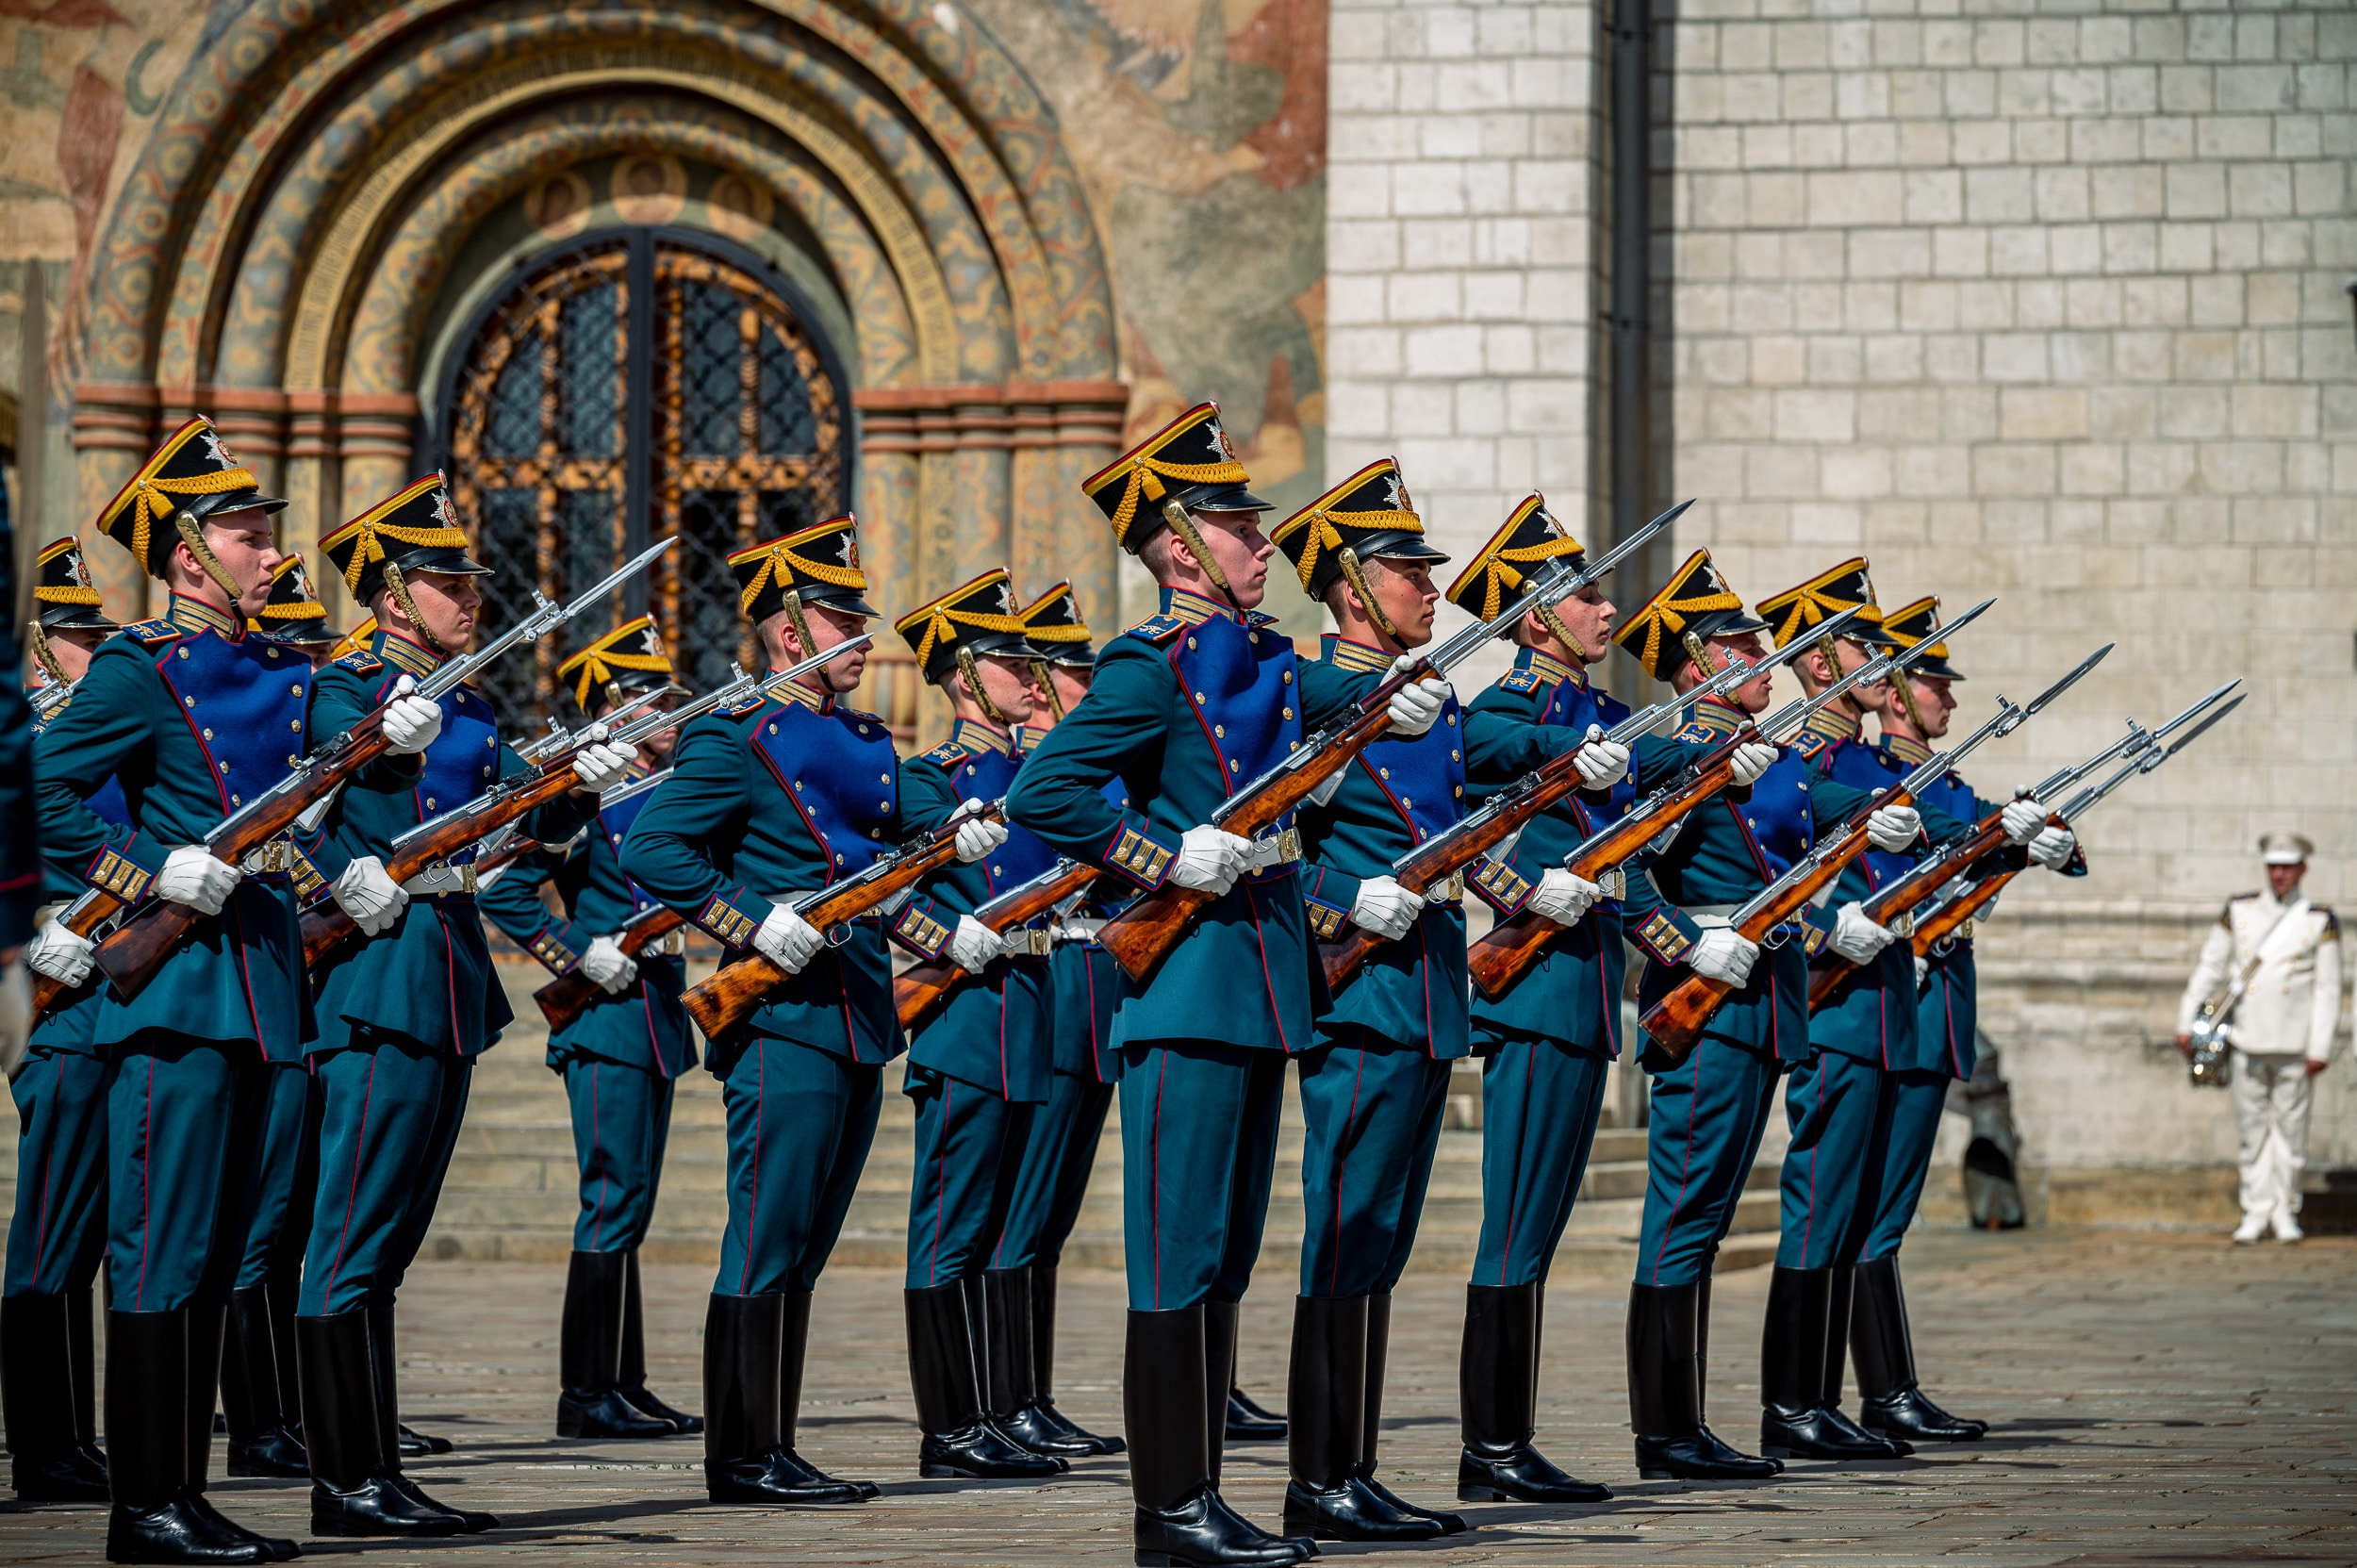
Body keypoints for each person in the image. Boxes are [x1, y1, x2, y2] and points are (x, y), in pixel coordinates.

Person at [1008, 403, 1445, 1568]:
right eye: (1236, 526)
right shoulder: (1147, 671)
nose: (1261, 545)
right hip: (1187, 989)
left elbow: (1310, 713)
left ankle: (1206, 1494)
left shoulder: (1263, 660)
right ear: (1176, 544)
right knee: (1175, 1254)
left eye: (1252, 527)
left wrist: (1385, 696)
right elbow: (1043, 795)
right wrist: (1157, 856)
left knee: (1224, 1257)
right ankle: (1169, 1511)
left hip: (1262, 984)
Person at [619, 515, 1003, 1508]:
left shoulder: (865, 739)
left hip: (856, 1011)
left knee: (806, 1240)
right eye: (844, 617)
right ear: (791, 630)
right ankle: (741, 1453)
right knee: (765, 1231)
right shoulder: (736, 736)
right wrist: (746, 921)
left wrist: (961, 829)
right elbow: (654, 850)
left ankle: (774, 1444)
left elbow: (899, 832)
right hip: (782, 1016)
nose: (863, 637)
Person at [296, 473, 634, 1538]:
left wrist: (583, 778)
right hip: (370, 979)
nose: (468, 596)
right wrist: (331, 875)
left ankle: (376, 1469)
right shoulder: (342, 687)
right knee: (348, 1240)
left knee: (386, 1248)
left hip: (441, 976)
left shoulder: (471, 703)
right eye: (446, 580)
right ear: (392, 594)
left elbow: (499, 818)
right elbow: (276, 807)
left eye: (466, 578)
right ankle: (343, 1481)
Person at [31, 417, 310, 1563]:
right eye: (246, 536)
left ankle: (182, 1492)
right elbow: (34, 788)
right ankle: (143, 1505)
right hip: (177, 997)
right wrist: (139, 872)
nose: (264, 553)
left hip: (255, 990)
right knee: (155, 1250)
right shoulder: (147, 672)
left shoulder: (274, 670)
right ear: (188, 554)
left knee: (207, 1256)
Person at [1613, 548, 1939, 1484]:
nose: (1766, 657)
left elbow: (1839, 796)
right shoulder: (1671, 752)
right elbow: (1619, 862)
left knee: (1707, 1216)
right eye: (1744, 645)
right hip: (1705, 1003)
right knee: (1680, 1213)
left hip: (1760, 1005)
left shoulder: (1771, 763)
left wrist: (1885, 811)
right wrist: (1677, 941)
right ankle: (1663, 1430)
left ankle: (1691, 1421)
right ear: (1699, 663)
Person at [1447, 496, 1653, 1506]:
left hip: (1586, 984)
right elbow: (1476, 762)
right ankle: (1489, 1448)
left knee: (1543, 1223)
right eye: (1587, 595)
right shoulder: (1506, 710)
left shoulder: (1607, 716)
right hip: (1531, 985)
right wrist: (1556, 761)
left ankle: (1505, 1441)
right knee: (1513, 1224)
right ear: (1535, 621)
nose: (1607, 609)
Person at [1845, 597, 2077, 1442]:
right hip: (1892, 1004)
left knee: (1889, 1207)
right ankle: (1878, 1391)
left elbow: (1981, 839)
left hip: (1937, 1007)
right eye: (1935, 684)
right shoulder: (1870, 780)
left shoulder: (1942, 783)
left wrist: (2040, 840)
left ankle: (1891, 1385)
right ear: (1897, 695)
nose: (1950, 700)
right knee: (1871, 1205)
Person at [479, 616, 701, 1441]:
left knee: (630, 1203)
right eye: (655, 699)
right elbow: (503, 890)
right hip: (605, 1016)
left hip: (651, 1011)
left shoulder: (667, 788)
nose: (672, 712)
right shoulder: (578, 796)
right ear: (615, 710)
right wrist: (575, 954)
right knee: (609, 1200)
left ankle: (625, 1381)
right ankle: (585, 1393)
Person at [883, 569, 1070, 1481]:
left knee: (996, 1226)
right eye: (1010, 661)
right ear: (963, 676)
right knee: (948, 1230)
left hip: (1029, 1012)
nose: (1031, 674)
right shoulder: (929, 780)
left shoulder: (1042, 774)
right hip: (964, 1019)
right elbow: (884, 894)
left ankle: (991, 1411)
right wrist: (944, 937)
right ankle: (947, 1427)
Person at [215, 553, 346, 1482]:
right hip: (243, 988)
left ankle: (291, 1410)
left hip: (283, 996)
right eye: (289, 649)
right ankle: (256, 1419)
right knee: (249, 1228)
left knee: (286, 1223)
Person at [989, 580, 1125, 1460]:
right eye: (1070, 674)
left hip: (1092, 986)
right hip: (1051, 987)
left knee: (1054, 1211)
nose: (1081, 687)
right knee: (1024, 1209)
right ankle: (1007, 1396)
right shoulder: (1023, 775)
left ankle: (1031, 1391)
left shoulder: (1088, 767)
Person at [5, 537, 121, 1505]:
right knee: (48, 1230)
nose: (96, 648)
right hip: (50, 1001)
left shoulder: (96, 733)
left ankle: (69, 1435)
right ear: (40, 647)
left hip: (108, 993)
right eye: (80, 636)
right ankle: (41, 1441)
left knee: (82, 1230)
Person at [2178, 832, 2342, 1244]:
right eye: (2273, 866)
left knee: (2290, 1133)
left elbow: (2328, 988)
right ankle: (2254, 1210)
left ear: (2303, 868)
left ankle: (2285, 1210)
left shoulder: (2317, 918)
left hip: (2293, 1042)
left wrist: (2320, 1046)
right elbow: (2209, 967)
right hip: (2248, 1037)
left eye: (2287, 866)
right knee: (2252, 1131)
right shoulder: (2240, 910)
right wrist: (2186, 1021)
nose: (2280, 874)